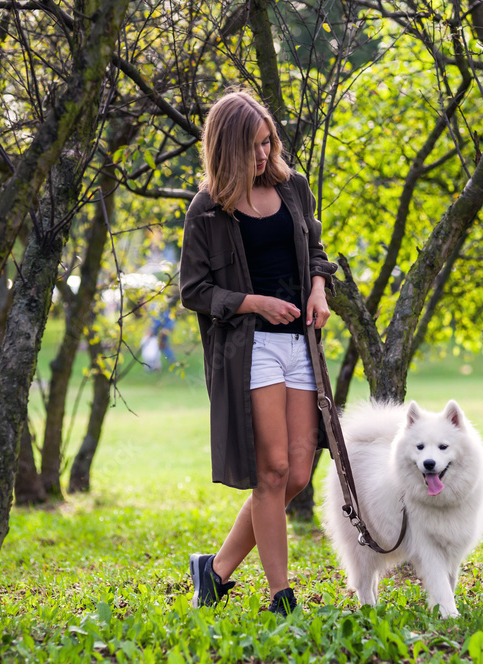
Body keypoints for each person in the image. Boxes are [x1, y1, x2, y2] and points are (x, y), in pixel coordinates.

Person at [179, 90, 337, 617]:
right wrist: (254, 303)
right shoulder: (207, 208)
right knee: (269, 470)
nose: (264, 154)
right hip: (252, 348)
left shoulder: (293, 190)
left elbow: (314, 247)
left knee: (296, 474)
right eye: (253, 147)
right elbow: (194, 290)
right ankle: (281, 596)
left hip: (301, 344)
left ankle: (217, 569)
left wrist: (318, 288)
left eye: (268, 142)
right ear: (226, 149)